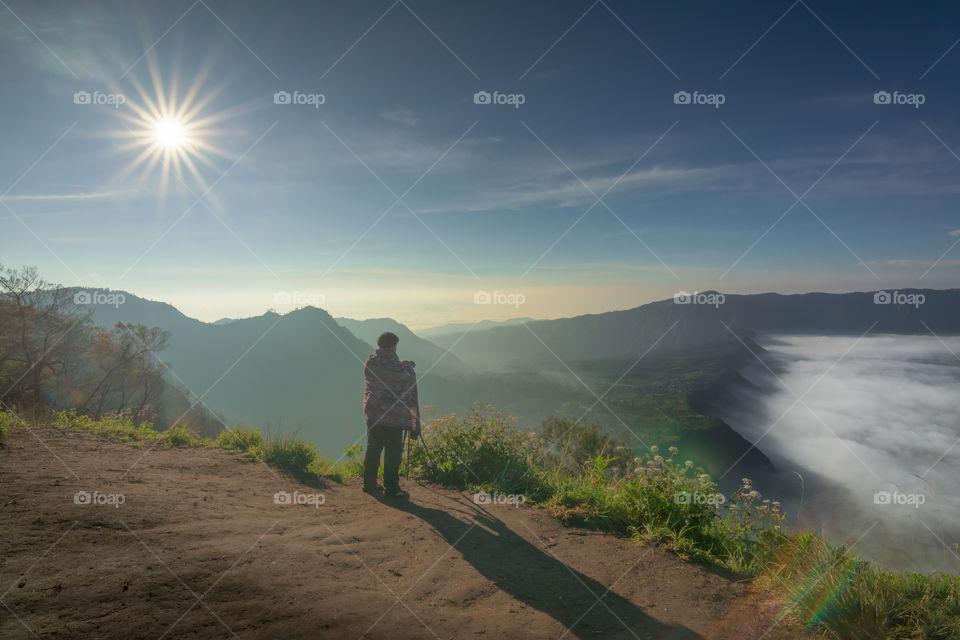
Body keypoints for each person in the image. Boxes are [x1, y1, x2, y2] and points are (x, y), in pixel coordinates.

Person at [361, 331, 420, 499]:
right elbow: (406, 379)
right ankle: (392, 489)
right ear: (393, 346)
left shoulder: (370, 361)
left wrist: (401, 365)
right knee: (393, 451)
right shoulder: (398, 367)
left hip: (373, 413)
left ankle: (369, 485)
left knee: (373, 448)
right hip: (393, 416)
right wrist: (408, 366)